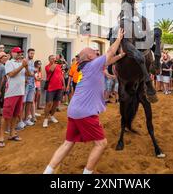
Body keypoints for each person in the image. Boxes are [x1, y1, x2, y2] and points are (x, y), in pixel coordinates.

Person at [44, 28, 126, 174]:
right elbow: (109, 53)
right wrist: (119, 39)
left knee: (68, 143)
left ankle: (48, 171)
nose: (96, 52)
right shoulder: (93, 65)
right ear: (89, 56)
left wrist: (121, 55)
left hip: (74, 110)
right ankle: (87, 173)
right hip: (85, 112)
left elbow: (109, 59)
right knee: (101, 144)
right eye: (94, 51)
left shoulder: (90, 66)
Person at [0, 47, 27, 147]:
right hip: (11, 93)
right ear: (12, 53)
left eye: (21, 52)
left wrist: (25, 66)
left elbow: (28, 75)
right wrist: (22, 66)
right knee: (6, 116)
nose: (19, 54)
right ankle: (1, 137)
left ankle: (12, 133)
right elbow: (11, 74)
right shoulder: (9, 62)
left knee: (15, 114)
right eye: (18, 52)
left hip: (20, 92)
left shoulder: (21, 63)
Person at [43, 55, 65, 128]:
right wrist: (55, 63)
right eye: (52, 59)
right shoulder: (47, 66)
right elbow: (51, 70)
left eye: (55, 59)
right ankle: (45, 119)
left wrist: (64, 84)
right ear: (49, 60)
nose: (54, 60)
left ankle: (52, 116)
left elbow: (61, 75)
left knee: (56, 103)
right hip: (51, 87)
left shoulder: (59, 66)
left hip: (59, 87)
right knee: (48, 103)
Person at [19, 48, 36, 128]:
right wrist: (31, 73)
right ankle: (20, 121)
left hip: (32, 84)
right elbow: (24, 72)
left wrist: (33, 73)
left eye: (33, 53)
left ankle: (26, 119)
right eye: (31, 53)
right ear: (28, 53)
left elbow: (32, 72)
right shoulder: (24, 61)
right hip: (25, 84)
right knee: (23, 103)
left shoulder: (32, 61)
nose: (32, 55)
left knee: (29, 102)